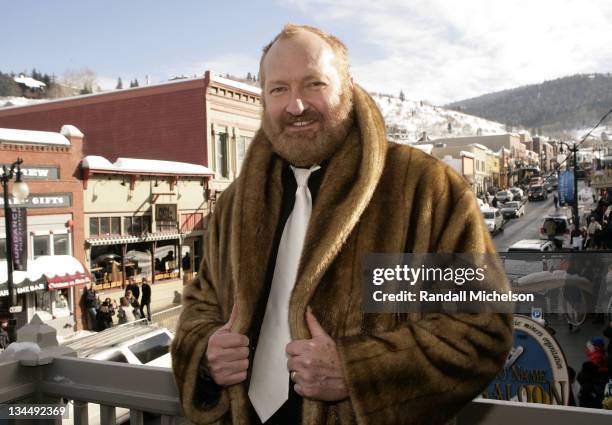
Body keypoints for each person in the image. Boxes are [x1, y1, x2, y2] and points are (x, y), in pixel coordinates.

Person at [171, 24, 512, 425]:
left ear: (347, 87)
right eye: (279, 89)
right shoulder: (232, 207)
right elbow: (200, 306)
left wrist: (357, 372)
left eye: (313, 84)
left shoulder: (424, 191)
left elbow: (481, 327)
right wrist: (206, 353)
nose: (296, 106)